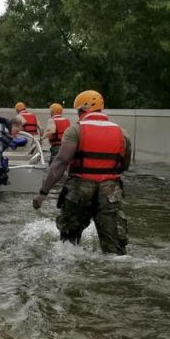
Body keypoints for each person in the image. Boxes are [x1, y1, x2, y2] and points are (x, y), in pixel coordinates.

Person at [32, 90, 132, 255]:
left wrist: (43, 193)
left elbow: (60, 163)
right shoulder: (122, 133)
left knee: (69, 244)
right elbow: (124, 165)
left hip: (80, 188)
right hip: (110, 190)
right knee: (114, 248)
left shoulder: (75, 130)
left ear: (81, 110)